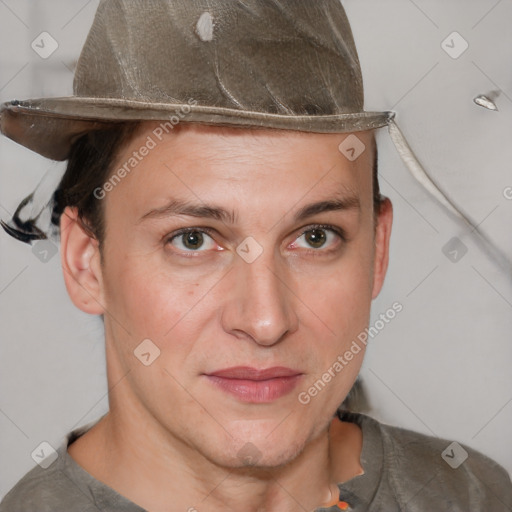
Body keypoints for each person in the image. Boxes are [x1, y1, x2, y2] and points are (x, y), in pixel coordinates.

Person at [0, 1, 511, 511]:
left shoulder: (472, 495)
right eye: (193, 239)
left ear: (377, 250)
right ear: (86, 262)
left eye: (315, 237)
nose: (266, 321)